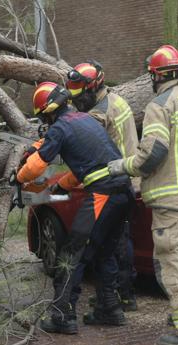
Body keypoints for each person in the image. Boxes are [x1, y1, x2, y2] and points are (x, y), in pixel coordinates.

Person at [108, 45, 178, 345]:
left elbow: (153, 152)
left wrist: (123, 165)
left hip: (171, 202)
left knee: (173, 260)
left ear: (155, 75)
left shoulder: (160, 105)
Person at [17, 82, 134, 334]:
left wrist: (18, 176)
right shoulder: (85, 120)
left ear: (48, 111)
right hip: (124, 192)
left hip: (104, 193)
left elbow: (36, 167)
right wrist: (62, 185)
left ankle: (62, 315)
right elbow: (90, 163)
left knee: (72, 253)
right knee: (104, 251)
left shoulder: (60, 128)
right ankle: (109, 307)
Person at [66, 60, 140, 311]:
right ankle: (123, 294)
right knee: (121, 239)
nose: (79, 101)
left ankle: (120, 294)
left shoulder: (99, 113)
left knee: (114, 243)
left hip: (115, 180)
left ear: (94, 87)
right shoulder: (116, 101)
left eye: (81, 95)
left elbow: (87, 146)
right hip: (127, 177)